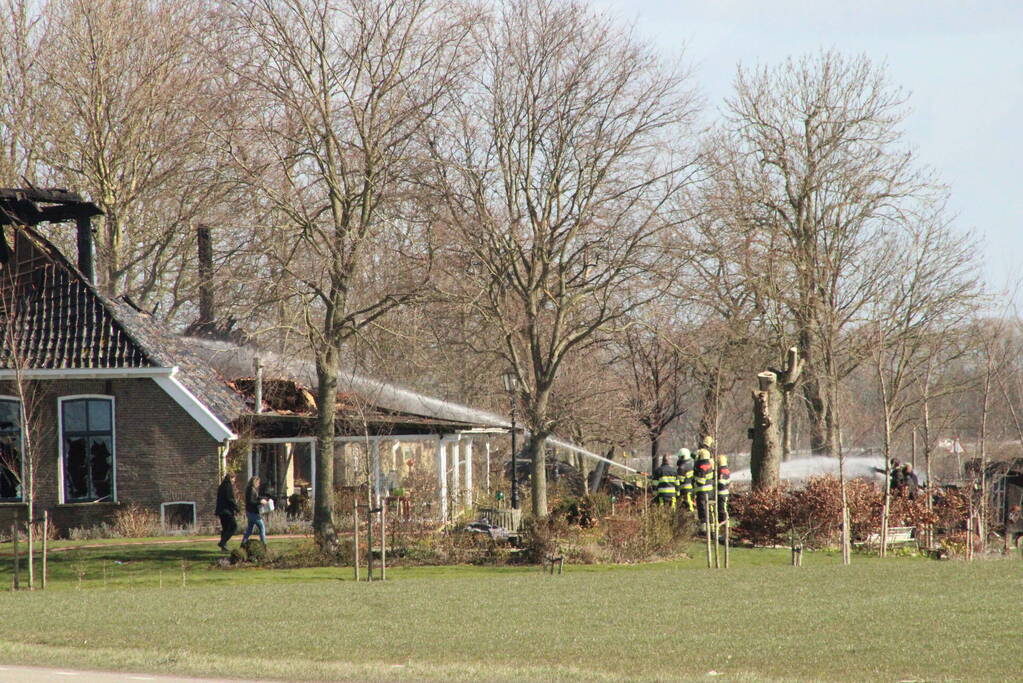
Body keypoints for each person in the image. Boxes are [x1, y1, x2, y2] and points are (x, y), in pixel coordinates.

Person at [241, 475, 269, 546]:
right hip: (253, 512)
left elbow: (256, 498)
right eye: (258, 482)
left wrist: (263, 498)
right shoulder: (251, 490)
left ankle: (243, 543)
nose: (259, 484)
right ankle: (264, 543)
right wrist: (260, 502)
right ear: (255, 482)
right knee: (262, 527)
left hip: (250, 512)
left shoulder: (251, 489)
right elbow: (251, 501)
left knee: (249, 530)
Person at [215, 472, 239, 551]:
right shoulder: (228, 486)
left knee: (225, 528)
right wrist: (236, 508)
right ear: (231, 478)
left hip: (221, 511)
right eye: (234, 479)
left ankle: (223, 546)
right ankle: (223, 542)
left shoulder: (221, 485)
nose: (234, 481)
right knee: (233, 526)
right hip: (226, 511)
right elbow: (230, 499)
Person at [693, 445, 715, 528]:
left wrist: (694, 478)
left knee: (702, 510)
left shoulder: (701, 466)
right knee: (710, 510)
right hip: (709, 491)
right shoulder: (709, 464)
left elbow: (701, 481)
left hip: (702, 492)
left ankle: (704, 529)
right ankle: (712, 528)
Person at [716, 454, 730, 521]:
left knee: (722, 509)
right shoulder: (727, 469)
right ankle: (725, 522)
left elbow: (720, 482)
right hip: (726, 491)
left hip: (721, 492)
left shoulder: (720, 470)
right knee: (724, 508)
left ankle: (724, 523)